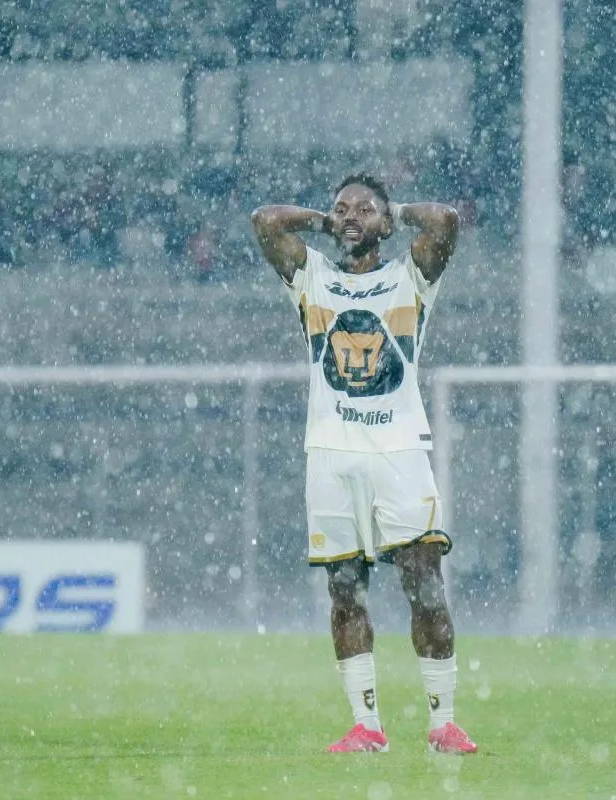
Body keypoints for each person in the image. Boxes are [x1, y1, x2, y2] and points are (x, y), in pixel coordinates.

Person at [250, 173, 477, 755]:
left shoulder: (410, 276)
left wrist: (394, 211)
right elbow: (265, 221)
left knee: (425, 586)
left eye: (363, 209)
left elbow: (446, 221)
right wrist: (324, 221)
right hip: (330, 454)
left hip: (399, 451)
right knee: (344, 591)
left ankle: (443, 723)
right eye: (341, 208)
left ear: (385, 221)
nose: (350, 215)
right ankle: (367, 726)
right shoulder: (312, 277)